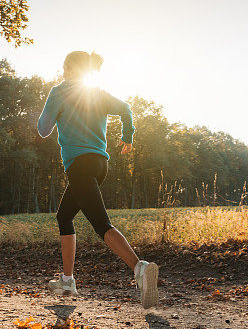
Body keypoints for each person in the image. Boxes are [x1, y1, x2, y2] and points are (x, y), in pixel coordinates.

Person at [37, 50, 159, 309]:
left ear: (67, 67)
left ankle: (140, 268)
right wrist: (128, 135)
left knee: (101, 224)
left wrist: (52, 113)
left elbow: (43, 129)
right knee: (64, 216)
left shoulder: (59, 92)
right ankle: (68, 280)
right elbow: (126, 108)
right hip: (100, 164)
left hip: (79, 166)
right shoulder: (97, 93)